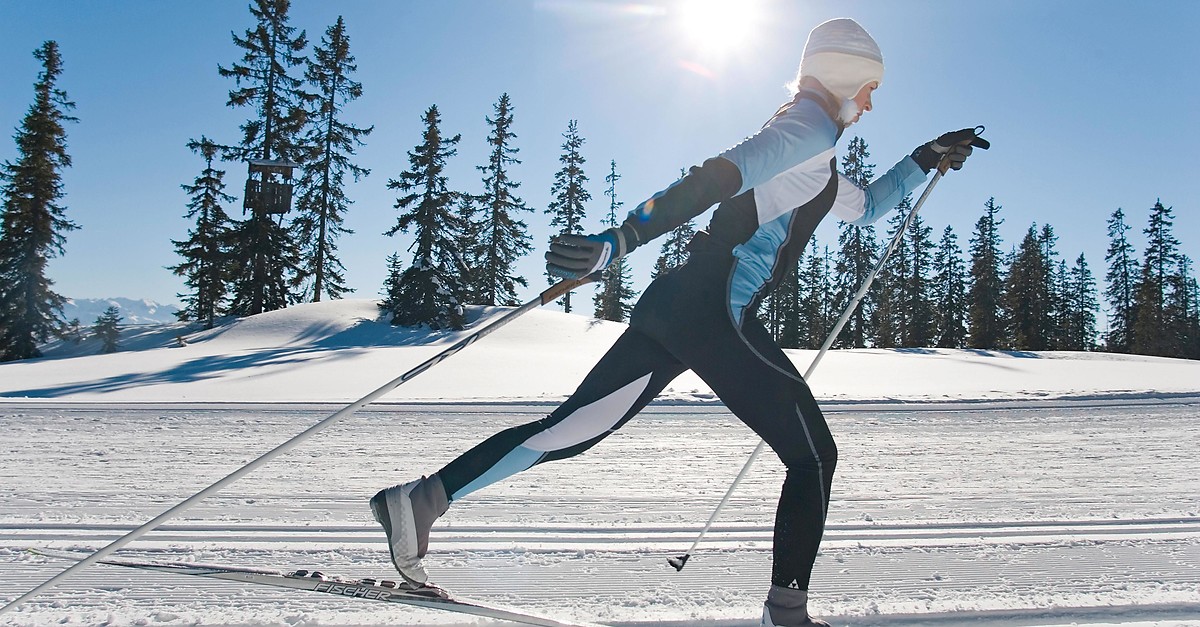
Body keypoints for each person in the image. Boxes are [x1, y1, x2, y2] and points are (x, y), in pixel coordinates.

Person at [371, 17, 983, 627]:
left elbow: (868, 205)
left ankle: (419, 502)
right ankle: (787, 615)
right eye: (870, 86)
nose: (872, 103)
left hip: (681, 306)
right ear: (845, 75)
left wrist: (924, 159)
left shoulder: (814, 154)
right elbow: (717, 176)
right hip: (715, 310)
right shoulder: (808, 129)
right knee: (814, 457)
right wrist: (622, 238)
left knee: (567, 432)